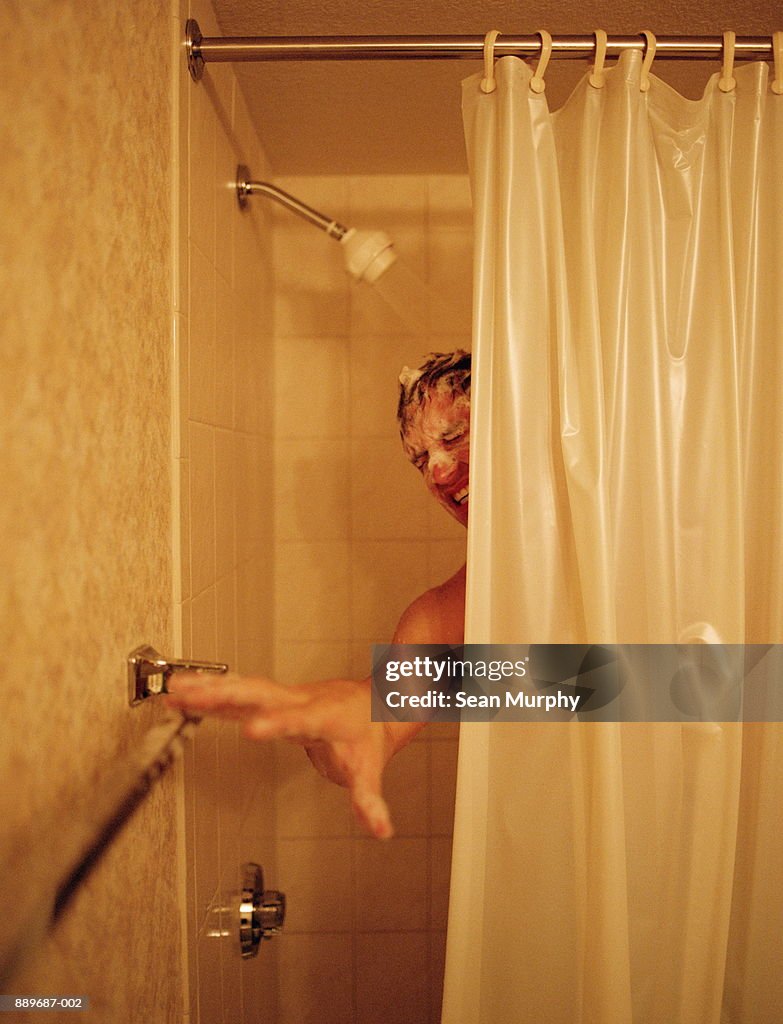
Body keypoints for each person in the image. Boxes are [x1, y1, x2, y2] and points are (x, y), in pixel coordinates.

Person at [166, 350, 471, 839]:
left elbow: (612, 684)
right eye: (419, 461)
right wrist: (344, 721)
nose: (436, 472)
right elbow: (385, 719)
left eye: (454, 436)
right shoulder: (447, 616)